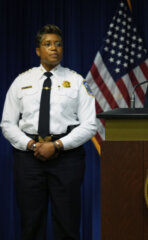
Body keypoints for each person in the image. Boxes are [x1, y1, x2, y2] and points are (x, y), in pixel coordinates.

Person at [1, 24, 97, 239]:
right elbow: (7, 123)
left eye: (58, 44)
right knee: (31, 223)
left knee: (67, 222)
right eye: (48, 44)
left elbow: (90, 124)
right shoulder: (21, 81)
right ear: (38, 50)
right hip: (29, 157)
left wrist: (56, 145)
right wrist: (33, 145)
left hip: (67, 157)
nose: (54, 48)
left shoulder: (77, 81)